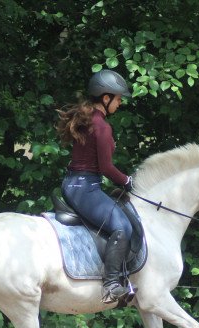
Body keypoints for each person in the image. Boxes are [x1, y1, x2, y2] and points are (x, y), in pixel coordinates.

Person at [57, 69, 135, 304]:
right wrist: (128, 181)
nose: (120, 103)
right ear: (105, 98)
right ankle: (111, 284)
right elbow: (106, 168)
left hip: (77, 184)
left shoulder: (90, 119)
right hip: (85, 188)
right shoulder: (101, 127)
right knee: (123, 227)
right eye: (118, 99)